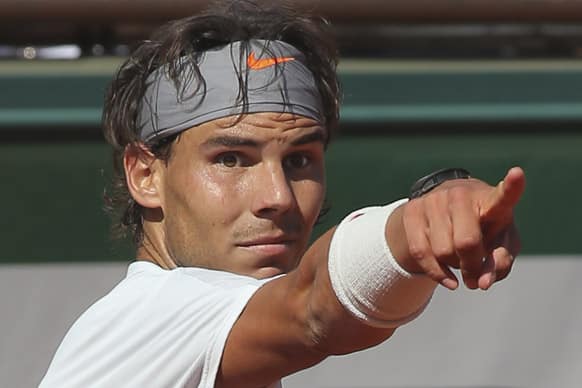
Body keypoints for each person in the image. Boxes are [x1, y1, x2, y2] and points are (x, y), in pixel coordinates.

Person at [40, 1, 525, 387]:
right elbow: (313, 310)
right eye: (230, 159)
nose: (279, 197)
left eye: (298, 161)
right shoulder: (151, 317)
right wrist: (412, 226)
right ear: (145, 175)